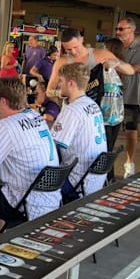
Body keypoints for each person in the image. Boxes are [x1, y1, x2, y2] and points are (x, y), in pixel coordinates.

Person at [0, 77, 59, 238]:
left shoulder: (7, 125)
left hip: (23, 202)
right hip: (48, 196)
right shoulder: (35, 116)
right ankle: (1, 235)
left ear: (4, 101)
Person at [51, 62, 107, 202]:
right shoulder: (93, 104)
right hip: (96, 180)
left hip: (76, 181)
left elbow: (52, 146)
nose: (59, 85)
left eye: (61, 81)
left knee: (28, 181)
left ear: (71, 83)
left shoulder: (72, 110)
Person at [115, 17, 140, 178]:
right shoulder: (114, 47)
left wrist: (115, 64)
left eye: (121, 29)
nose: (118, 32)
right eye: (117, 29)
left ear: (132, 30)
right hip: (111, 98)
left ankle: (129, 163)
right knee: (109, 133)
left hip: (130, 98)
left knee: (131, 132)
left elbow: (133, 68)